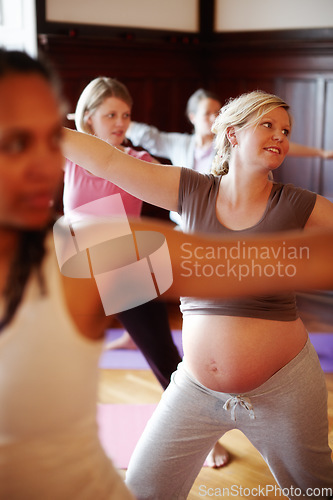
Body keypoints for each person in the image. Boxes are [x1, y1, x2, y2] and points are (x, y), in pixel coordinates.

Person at [62, 90, 333, 499]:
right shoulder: (191, 190)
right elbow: (109, 160)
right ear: (232, 134)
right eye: (267, 124)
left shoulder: (296, 204)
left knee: (315, 490)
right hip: (196, 389)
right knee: (144, 488)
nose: (280, 135)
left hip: (286, 390)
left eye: (286, 130)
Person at [63, 76, 182, 390]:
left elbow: (182, 193)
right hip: (76, 272)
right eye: (111, 115)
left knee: (166, 362)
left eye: (126, 115)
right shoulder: (70, 159)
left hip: (125, 270)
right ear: (88, 117)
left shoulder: (139, 161)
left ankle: (203, 427)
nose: (121, 123)